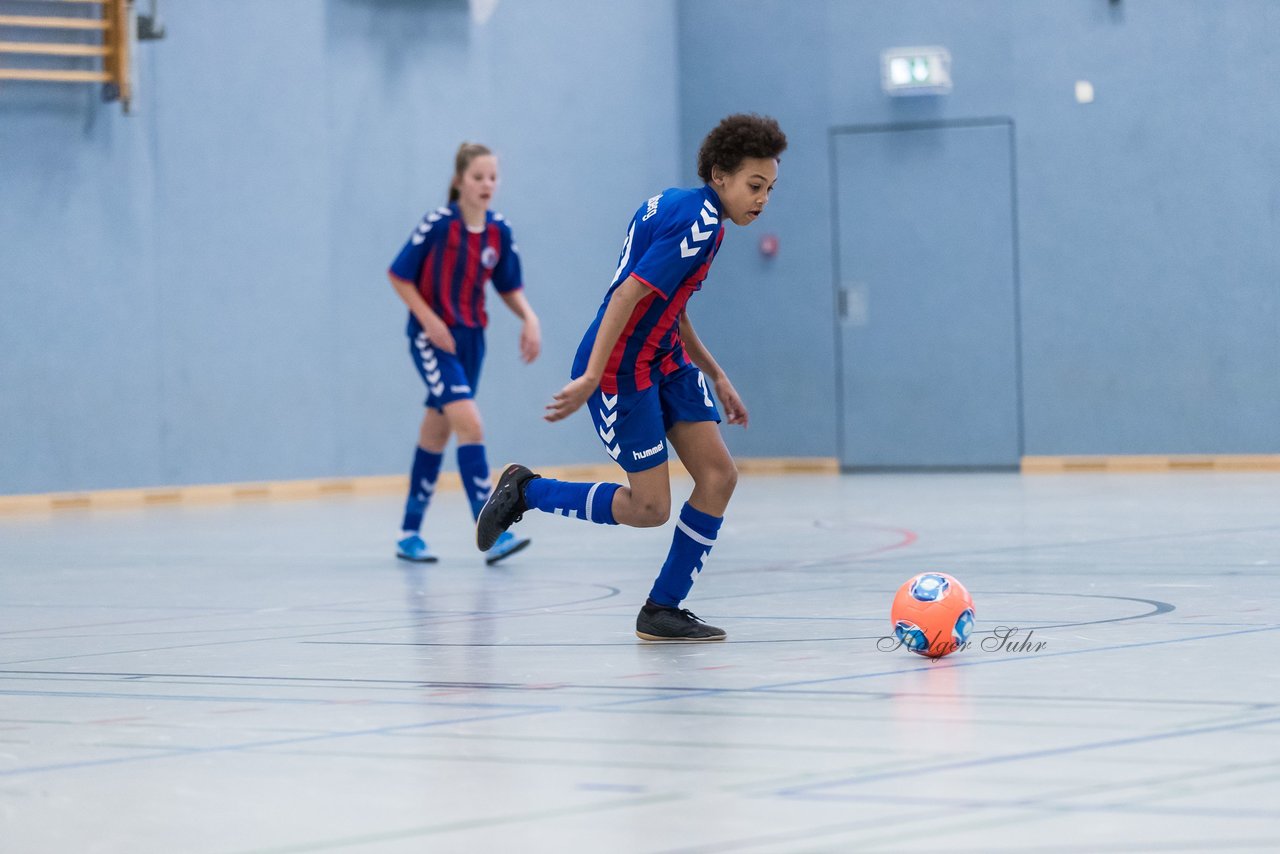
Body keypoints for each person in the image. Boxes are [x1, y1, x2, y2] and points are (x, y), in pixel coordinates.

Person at [475, 114, 786, 640]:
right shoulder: (700, 224)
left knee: (718, 476)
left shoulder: (683, 206)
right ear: (719, 175)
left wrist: (716, 374)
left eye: (770, 189)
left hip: (665, 358)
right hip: (623, 369)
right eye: (754, 186)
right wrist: (594, 375)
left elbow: (673, 304)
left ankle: (662, 609)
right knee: (649, 508)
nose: (762, 199)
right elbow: (625, 296)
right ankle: (527, 491)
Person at [388, 142, 541, 565]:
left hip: (472, 341)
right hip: (433, 340)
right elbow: (399, 275)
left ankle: (408, 535)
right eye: (478, 177)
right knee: (470, 424)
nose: (487, 184)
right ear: (459, 181)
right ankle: (489, 529)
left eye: (493, 177)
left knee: (436, 432)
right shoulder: (438, 225)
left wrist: (529, 318)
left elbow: (508, 286)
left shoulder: (499, 231)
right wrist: (430, 321)